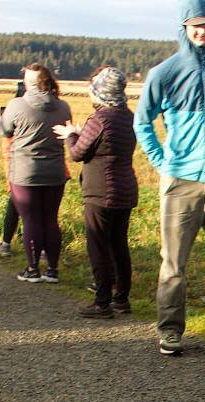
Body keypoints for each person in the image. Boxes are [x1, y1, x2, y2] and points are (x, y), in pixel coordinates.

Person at [134, 0, 205, 360]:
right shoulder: (164, 73)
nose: (201, 30)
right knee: (173, 265)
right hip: (180, 183)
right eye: (195, 24)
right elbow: (142, 121)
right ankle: (170, 331)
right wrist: (162, 161)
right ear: (183, 27)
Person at [54, 66, 138, 319]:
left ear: (100, 93)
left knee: (98, 246)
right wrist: (81, 135)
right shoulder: (128, 116)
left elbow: (78, 153)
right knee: (119, 245)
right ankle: (121, 299)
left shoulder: (100, 118)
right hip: (125, 189)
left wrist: (70, 135)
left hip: (101, 191)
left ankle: (101, 303)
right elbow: (104, 146)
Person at [0, 63, 72, 283]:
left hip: (25, 172)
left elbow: (4, 130)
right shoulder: (63, 106)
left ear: (29, 84)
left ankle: (32, 269)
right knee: (50, 219)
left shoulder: (17, 105)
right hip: (55, 171)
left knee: (31, 220)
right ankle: (52, 270)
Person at [0, 80, 26, 257]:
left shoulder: (13, 113)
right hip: (47, 171)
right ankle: (42, 249)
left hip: (18, 171)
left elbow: (3, 130)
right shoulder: (51, 109)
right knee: (43, 212)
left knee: (16, 207)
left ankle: (6, 244)